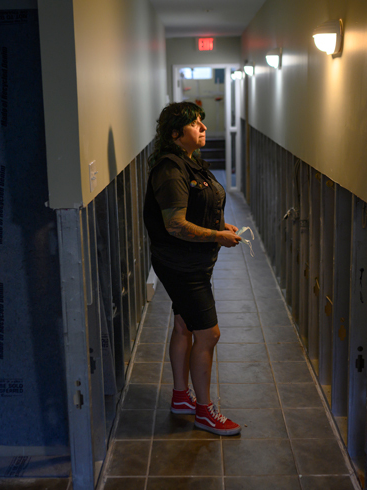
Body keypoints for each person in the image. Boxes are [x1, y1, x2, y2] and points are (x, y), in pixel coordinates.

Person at [143, 101, 242, 436]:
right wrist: (215, 235)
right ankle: (204, 411)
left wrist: (220, 224)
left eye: (201, 122)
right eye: (193, 124)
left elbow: (197, 208)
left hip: (191, 261)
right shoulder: (170, 170)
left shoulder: (190, 164)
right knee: (209, 334)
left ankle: (181, 398)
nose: (201, 127)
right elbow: (175, 225)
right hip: (181, 265)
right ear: (175, 134)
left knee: (184, 325)